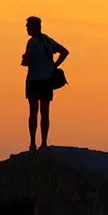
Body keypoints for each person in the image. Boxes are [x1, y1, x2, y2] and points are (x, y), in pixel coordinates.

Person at [20, 15, 68, 151]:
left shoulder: (32, 42)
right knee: (45, 113)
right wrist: (54, 66)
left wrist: (24, 60)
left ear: (34, 27)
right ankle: (44, 143)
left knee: (33, 112)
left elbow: (27, 61)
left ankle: (33, 143)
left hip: (34, 80)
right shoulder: (47, 40)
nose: (26, 29)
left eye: (28, 26)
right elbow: (64, 52)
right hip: (46, 80)